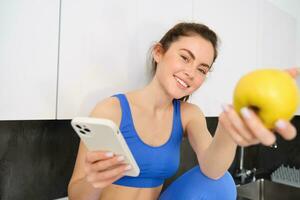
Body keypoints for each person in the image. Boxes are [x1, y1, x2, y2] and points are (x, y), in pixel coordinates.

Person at [67, 22, 299, 200]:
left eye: (201, 69)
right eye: (185, 58)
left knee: (222, 182)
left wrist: (229, 130)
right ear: (159, 53)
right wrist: (94, 181)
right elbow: (76, 193)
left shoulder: (188, 114)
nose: (190, 73)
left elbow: (213, 169)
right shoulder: (111, 110)